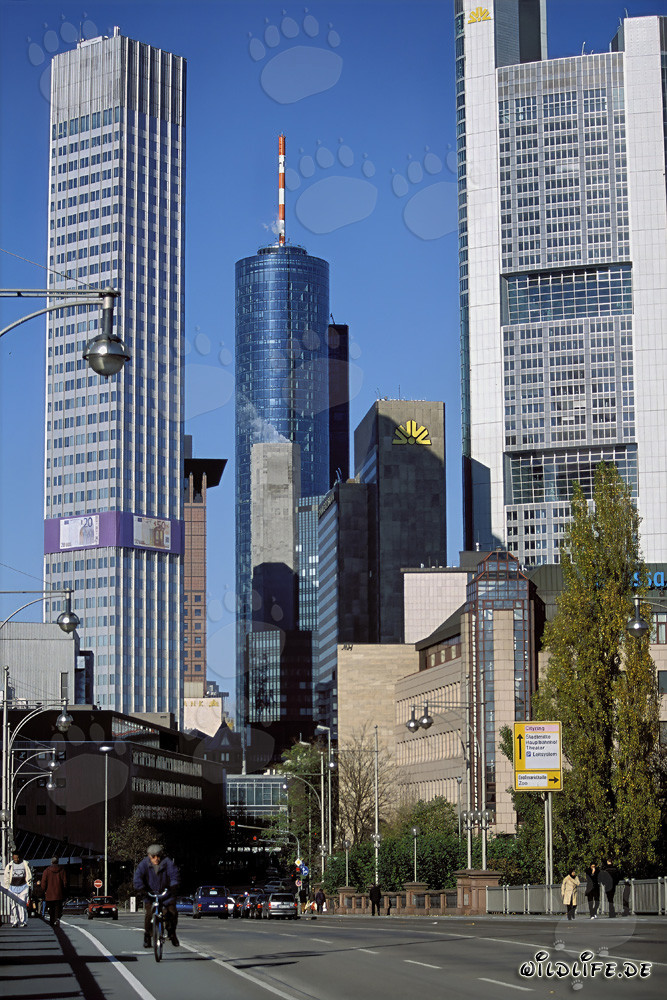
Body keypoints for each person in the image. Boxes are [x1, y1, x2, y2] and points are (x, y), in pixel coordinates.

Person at [133, 844, 180, 948]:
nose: (156, 859)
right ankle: (147, 936)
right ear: (149, 856)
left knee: (172, 912)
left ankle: (172, 933)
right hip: (150, 894)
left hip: (166, 894)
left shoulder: (167, 862)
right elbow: (138, 877)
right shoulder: (143, 864)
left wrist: (173, 886)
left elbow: (174, 875)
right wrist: (141, 889)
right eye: (153, 857)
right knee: (149, 914)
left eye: (158, 856)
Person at [3, 851, 33, 927]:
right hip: (12, 887)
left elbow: (29, 875)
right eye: (14, 858)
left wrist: (28, 885)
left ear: (19, 857)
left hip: (23, 887)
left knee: (22, 905)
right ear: (13, 857)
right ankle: (14, 921)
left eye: (17, 858)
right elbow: (6, 877)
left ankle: (23, 921)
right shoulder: (9, 865)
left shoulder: (25, 864)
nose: (16, 859)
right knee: (13, 906)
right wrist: (7, 887)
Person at [41, 856, 68, 928]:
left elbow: (43, 882)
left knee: (51, 908)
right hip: (59, 893)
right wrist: (64, 890)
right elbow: (65, 882)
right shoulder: (62, 870)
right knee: (58, 907)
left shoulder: (46, 871)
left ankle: (52, 920)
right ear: (58, 862)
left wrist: (44, 890)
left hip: (49, 894)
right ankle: (57, 918)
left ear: (51, 862)